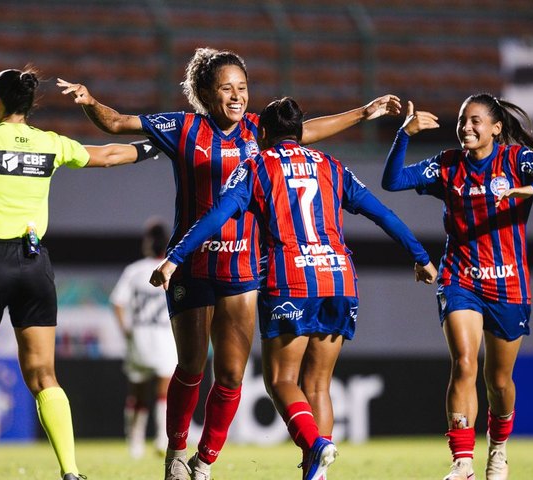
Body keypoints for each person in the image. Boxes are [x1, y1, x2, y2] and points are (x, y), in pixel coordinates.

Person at [58, 47, 403, 480]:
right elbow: (117, 123)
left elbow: (309, 130)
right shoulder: (183, 128)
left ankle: (205, 463)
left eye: (242, 87)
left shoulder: (261, 129)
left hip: (242, 271)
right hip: (193, 266)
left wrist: (364, 113)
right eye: (227, 88)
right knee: (189, 368)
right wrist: (91, 103)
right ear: (205, 92)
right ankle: (176, 456)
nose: (237, 96)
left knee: (231, 375)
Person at [149, 97, 438, 480]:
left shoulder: (256, 165)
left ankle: (316, 446)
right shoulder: (332, 166)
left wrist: (176, 257)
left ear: (262, 134)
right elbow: (381, 212)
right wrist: (420, 256)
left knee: (281, 381)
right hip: (339, 278)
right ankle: (315, 472)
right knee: (318, 384)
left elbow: (217, 215)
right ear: (301, 132)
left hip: (291, 280)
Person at [0, 66, 158, 480]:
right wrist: (159, 145)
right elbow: (106, 155)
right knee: (44, 374)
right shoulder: (49, 144)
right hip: (33, 264)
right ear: (29, 105)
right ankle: (70, 471)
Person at [381, 95, 533, 480]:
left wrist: (532, 190)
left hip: (509, 285)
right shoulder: (447, 166)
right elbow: (392, 181)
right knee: (465, 362)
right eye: (461, 121)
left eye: (475, 121)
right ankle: (462, 462)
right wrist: (403, 136)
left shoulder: (516, 162)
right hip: (461, 279)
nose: (466, 128)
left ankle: (499, 449)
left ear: (495, 128)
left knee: (499, 381)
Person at [110, 218, 177, 459]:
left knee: (137, 394)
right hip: (165, 337)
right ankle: (162, 438)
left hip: (139, 337)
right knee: (164, 392)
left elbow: (117, 301)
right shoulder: (172, 268)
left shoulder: (135, 270)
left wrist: (126, 329)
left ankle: (135, 443)